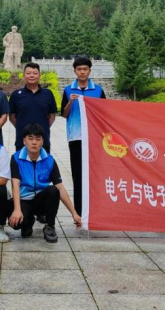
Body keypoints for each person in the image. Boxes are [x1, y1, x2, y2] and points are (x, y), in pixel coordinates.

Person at [9, 124, 82, 243]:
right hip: (24, 200)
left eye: (38, 139)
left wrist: (74, 213)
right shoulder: (16, 158)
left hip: (41, 200)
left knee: (53, 190)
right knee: (16, 224)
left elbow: (60, 188)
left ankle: (50, 226)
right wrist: (17, 210)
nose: (34, 142)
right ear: (24, 141)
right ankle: (28, 221)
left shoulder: (49, 160)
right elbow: (15, 185)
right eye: (30, 138)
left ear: (42, 141)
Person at [61, 56, 106, 216]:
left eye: (85, 69)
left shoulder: (98, 90)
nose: (82, 72)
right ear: (75, 71)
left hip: (94, 139)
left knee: (94, 174)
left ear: (89, 71)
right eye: (79, 69)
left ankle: (95, 210)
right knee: (78, 175)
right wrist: (70, 102)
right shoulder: (68, 90)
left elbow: (104, 113)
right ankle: (79, 212)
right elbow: (64, 114)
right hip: (76, 138)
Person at [9, 62, 57, 152]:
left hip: (43, 139)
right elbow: (12, 117)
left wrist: (42, 128)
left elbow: (52, 116)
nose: (32, 75)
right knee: (21, 160)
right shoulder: (16, 95)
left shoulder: (48, 94)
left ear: (39, 76)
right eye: (28, 73)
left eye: (35, 73)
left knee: (44, 161)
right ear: (23, 76)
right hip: (22, 139)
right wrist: (22, 128)